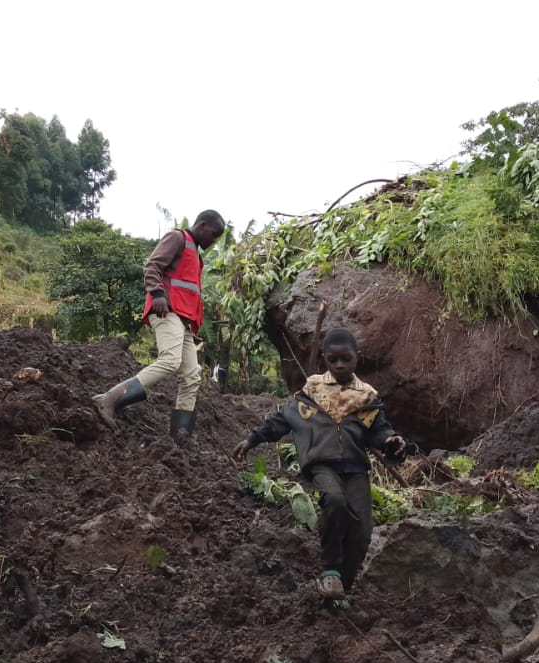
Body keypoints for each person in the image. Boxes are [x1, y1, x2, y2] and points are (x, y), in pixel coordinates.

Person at [232, 328, 413, 602]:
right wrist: (253, 439)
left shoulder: (367, 397)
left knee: (362, 530)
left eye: (345, 359)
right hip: (321, 464)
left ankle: (344, 587)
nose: (339, 365)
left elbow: (379, 431)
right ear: (324, 360)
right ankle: (330, 572)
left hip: (355, 468)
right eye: (333, 360)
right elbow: (282, 420)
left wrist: (392, 440)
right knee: (335, 501)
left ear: (357, 358)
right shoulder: (313, 391)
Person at [92, 210, 226, 445]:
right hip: (166, 310)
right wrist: (157, 293)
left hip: (183, 320)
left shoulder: (195, 254)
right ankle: (110, 399)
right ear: (202, 225)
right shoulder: (178, 238)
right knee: (170, 361)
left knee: (192, 375)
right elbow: (152, 265)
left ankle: (180, 436)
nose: (213, 241)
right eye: (213, 235)